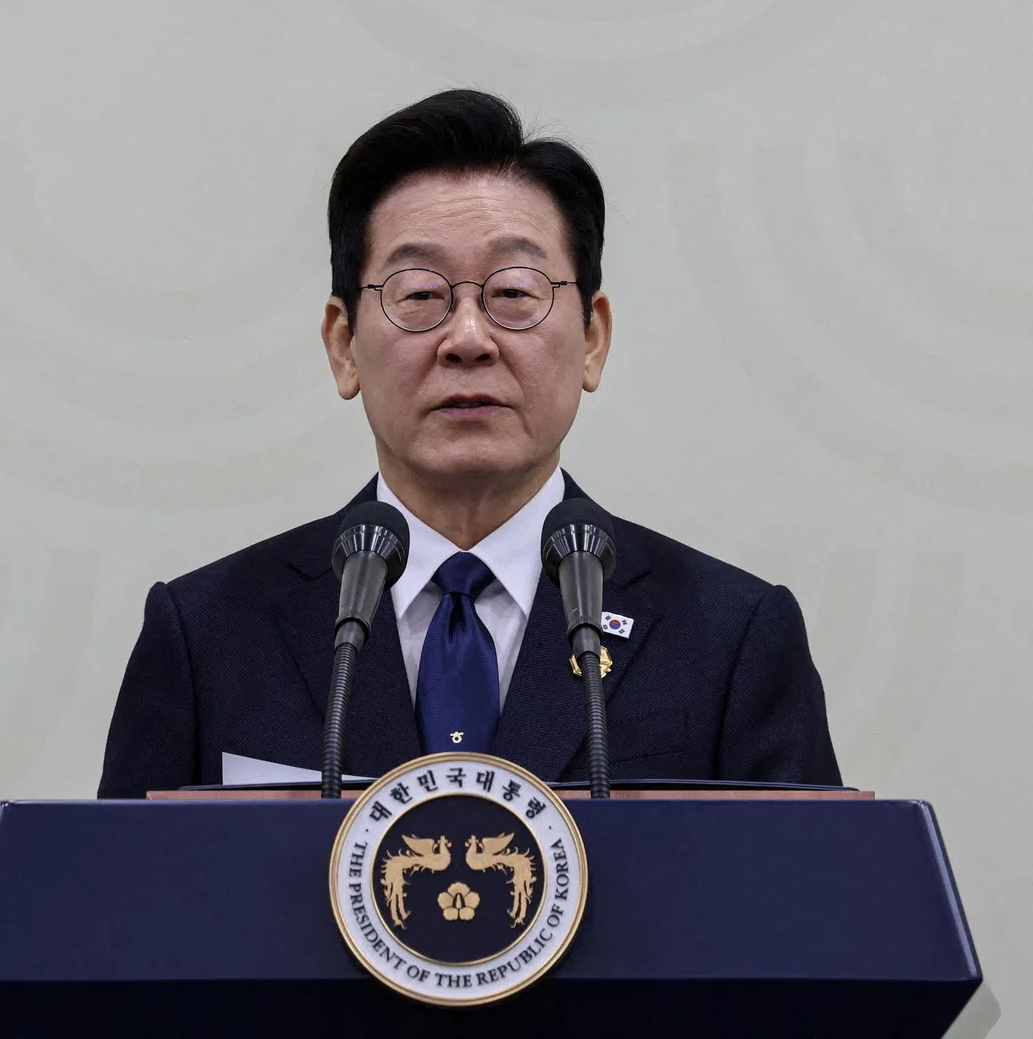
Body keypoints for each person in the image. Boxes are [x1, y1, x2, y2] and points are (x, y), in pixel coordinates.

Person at [98, 90, 840, 799]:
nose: (467, 339)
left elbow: (808, 916)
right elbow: (113, 917)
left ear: (591, 339)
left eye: (514, 292)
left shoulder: (731, 637)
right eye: (419, 294)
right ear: (343, 345)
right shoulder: (208, 636)